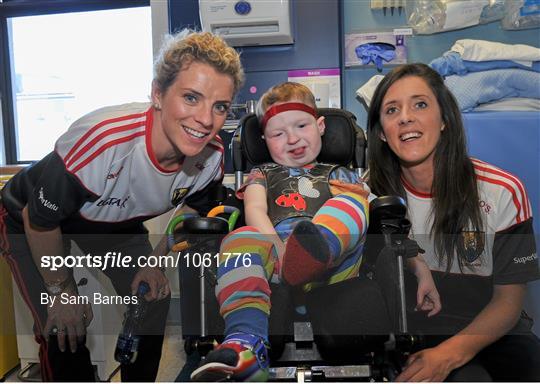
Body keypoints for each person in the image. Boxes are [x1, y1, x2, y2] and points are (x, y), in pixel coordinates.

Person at [0, 30, 244, 382]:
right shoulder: (103, 140)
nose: (206, 119)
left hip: (112, 222)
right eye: (191, 98)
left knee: (153, 295)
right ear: (158, 94)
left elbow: (191, 214)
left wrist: (157, 263)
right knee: (64, 329)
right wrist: (62, 291)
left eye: (220, 106)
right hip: (33, 219)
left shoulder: (211, 157)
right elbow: (38, 220)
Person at [191, 82, 441, 381]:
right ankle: (246, 344)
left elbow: (383, 222)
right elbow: (256, 211)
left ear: (320, 126)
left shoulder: (342, 174)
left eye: (301, 125)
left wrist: (420, 266)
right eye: (278, 133)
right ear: (263, 140)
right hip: (278, 261)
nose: (292, 138)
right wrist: (280, 250)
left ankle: (314, 249)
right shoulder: (263, 174)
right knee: (240, 238)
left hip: (335, 266)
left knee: (354, 202)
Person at [366, 63, 540, 382]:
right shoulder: (366, 199)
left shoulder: (503, 192)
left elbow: (508, 302)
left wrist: (446, 357)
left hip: (492, 331)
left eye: (420, 104)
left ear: (444, 119)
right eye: (392, 110)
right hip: (410, 333)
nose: (406, 117)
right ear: (380, 132)